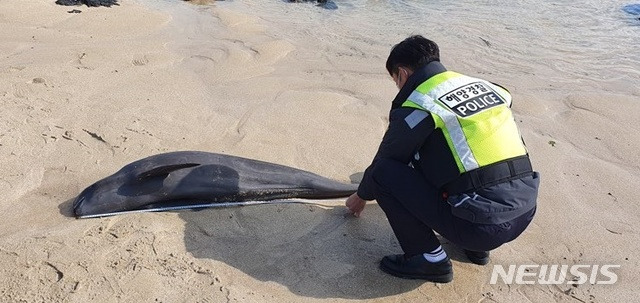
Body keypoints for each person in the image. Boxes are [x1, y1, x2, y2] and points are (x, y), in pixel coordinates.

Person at [345, 35, 539, 283]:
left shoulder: (422, 102)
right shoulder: (487, 86)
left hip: (481, 226)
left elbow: (388, 158)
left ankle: (429, 259)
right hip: (524, 212)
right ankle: (476, 250)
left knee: (383, 173)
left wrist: (361, 195)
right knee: (455, 152)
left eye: (395, 80)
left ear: (402, 74)